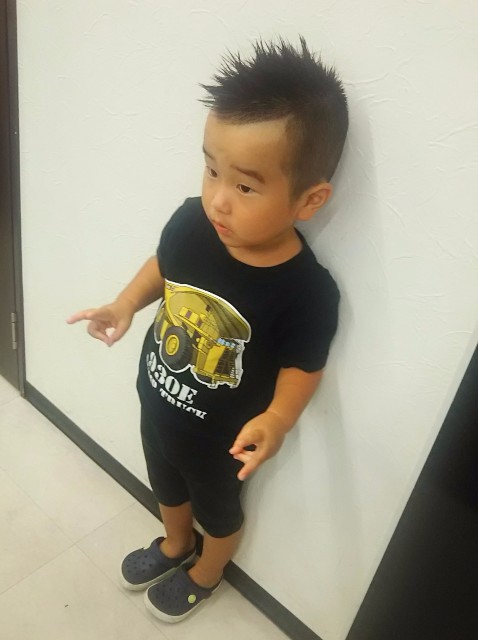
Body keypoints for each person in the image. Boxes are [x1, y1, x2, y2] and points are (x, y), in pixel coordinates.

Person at [67, 36, 348, 623]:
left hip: (222, 443)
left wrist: (277, 419)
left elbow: (303, 365)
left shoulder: (307, 290)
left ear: (309, 199)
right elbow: (164, 267)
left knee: (218, 514)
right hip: (157, 404)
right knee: (165, 487)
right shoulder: (192, 223)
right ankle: (174, 543)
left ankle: (206, 572)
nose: (218, 200)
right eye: (211, 169)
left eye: (244, 186)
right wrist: (126, 303)